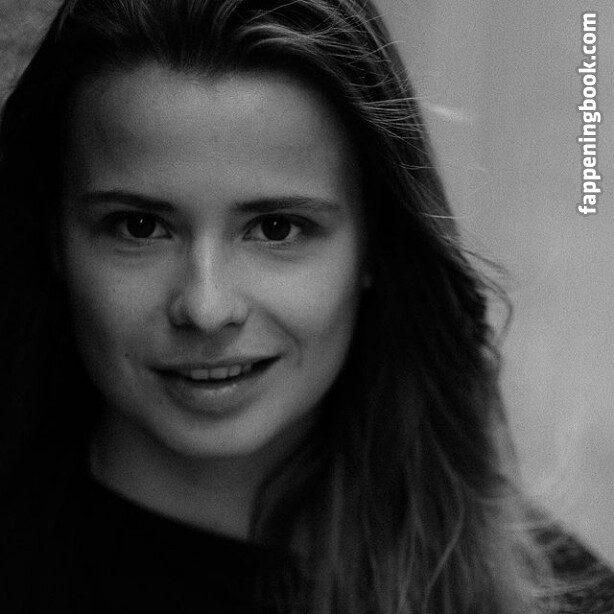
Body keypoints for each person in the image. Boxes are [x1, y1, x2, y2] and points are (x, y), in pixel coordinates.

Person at [0, 0, 612, 613]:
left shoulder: (553, 595)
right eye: (139, 226)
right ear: (55, 238)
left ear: (375, 244)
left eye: (276, 228)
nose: (206, 308)